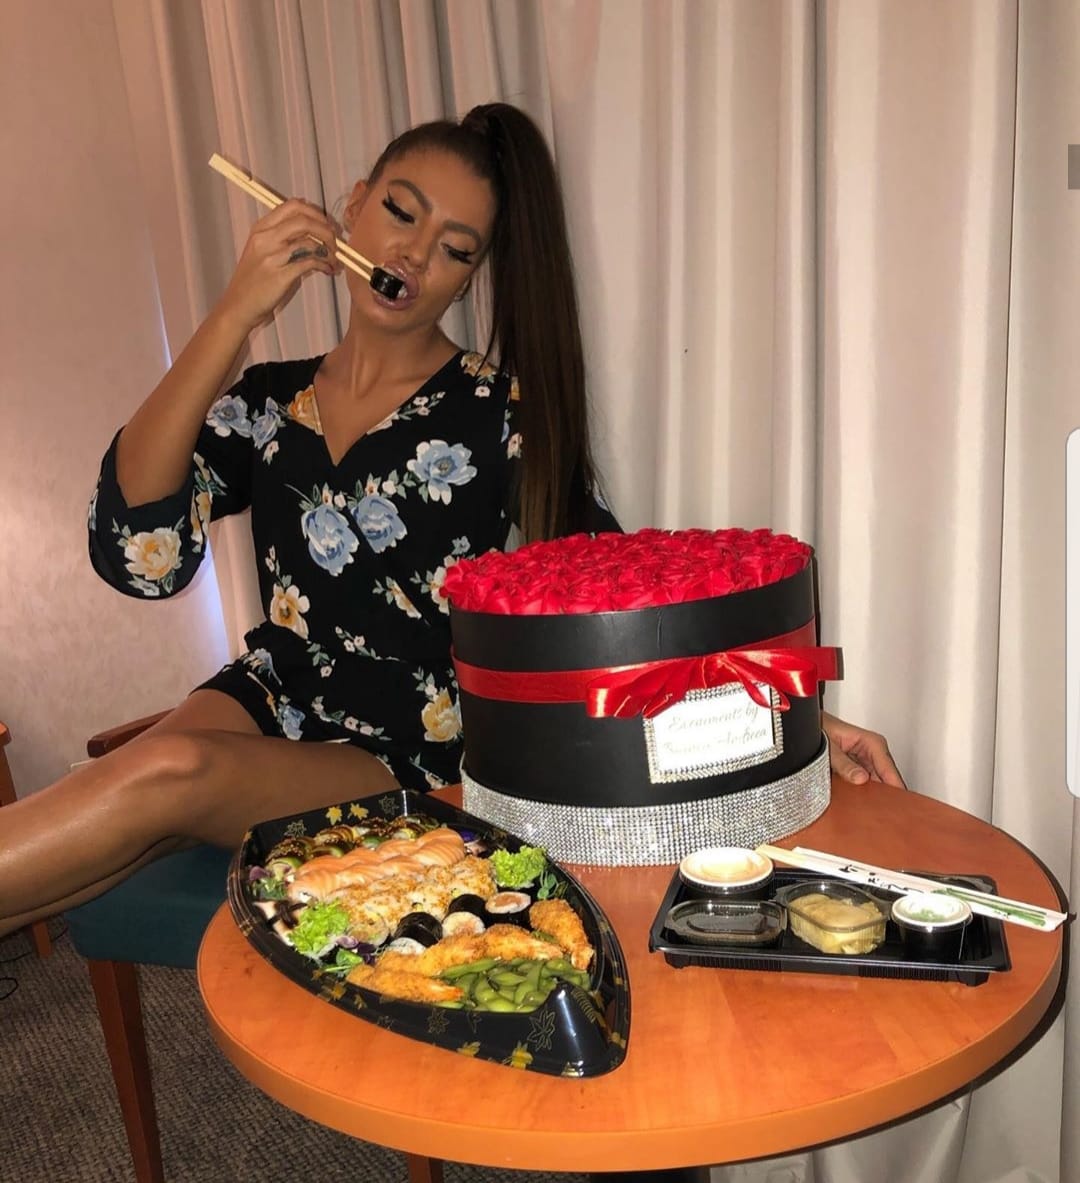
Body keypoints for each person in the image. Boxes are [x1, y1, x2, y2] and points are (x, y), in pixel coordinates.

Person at [0, 102, 903, 949]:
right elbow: (139, 553)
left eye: (455, 248)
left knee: (167, 773)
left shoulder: (497, 416)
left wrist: (795, 717)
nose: (413, 254)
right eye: (399, 212)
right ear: (353, 205)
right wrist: (237, 310)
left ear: (471, 275)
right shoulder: (271, 400)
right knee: (133, 776)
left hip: (403, 743)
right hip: (271, 687)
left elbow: (614, 609)